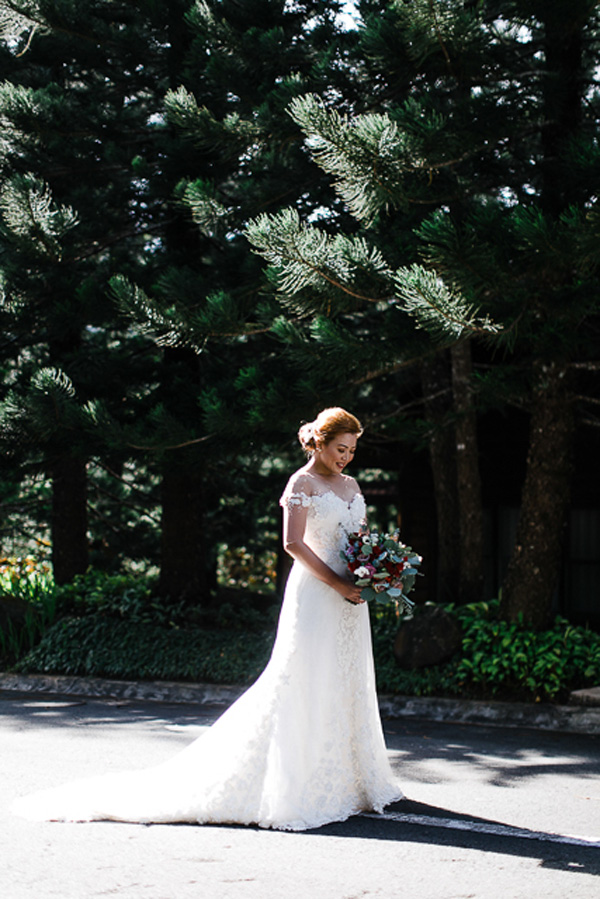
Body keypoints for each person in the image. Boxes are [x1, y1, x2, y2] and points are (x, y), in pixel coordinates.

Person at [12, 407, 403, 829]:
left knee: (346, 677)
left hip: (350, 596)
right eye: (340, 448)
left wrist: (375, 570)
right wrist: (337, 583)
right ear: (319, 443)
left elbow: (359, 538)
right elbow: (293, 544)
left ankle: (352, 779)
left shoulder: (351, 485)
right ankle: (297, 780)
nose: (346, 457)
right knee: (304, 676)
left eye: (351, 451)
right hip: (317, 590)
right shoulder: (301, 482)